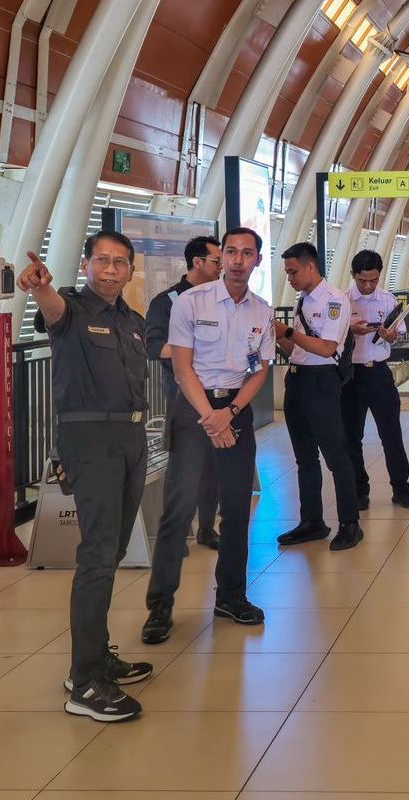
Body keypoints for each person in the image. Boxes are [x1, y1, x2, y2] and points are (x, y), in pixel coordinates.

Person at [17, 231, 153, 724]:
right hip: (91, 443)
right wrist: (37, 286)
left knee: (112, 550)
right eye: (101, 261)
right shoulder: (71, 309)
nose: (110, 270)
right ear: (87, 265)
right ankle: (86, 683)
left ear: (130, 271)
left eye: (119, 263)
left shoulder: (131, 321)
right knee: (97, 556)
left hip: (132, 441)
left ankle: (94, 659)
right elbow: (50, 309)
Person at [145, 226, 275, 637]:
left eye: (247, 253)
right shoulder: (191, 301)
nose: (238, 260)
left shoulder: (262, 310)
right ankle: (160, 606)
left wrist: (231, 412)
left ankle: (231, 597)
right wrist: (210, 416)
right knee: (178, 511)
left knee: (236, 509)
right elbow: (182, 367)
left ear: (257, 260)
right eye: (231, 252)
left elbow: (260, 369)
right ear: (222, 260)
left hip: (235, 409)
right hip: (194, 409)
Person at [273, 242, 365, 550]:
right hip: (297, 380)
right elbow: (297, 349)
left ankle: (350, 524)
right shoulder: (303, 300)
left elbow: (326, 348)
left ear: (310, 266)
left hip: (321, 382)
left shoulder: (334, 300)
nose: (290, 278)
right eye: (287, 273)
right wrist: (274, 336)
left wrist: (286, 332)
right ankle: (312, 521)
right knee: (304, 457)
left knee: (335, 455)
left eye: (293, 271)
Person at [144, 236, 223, 551]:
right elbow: (152, 347)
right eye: (217, 260)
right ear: (198, 262)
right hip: (183, 399)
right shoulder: (167, 302)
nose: (223, 266)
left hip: (220, 396)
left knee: (213, 466)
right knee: (183, 469)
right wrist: (192, 351)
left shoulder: (223, 297)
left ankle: (207, 528)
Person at [341, 250, 409, 510]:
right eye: (363, 280)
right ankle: (359, 490)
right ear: (354, 276)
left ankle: (401, 488)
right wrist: (350, 330)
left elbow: (399, 333)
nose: (368, 285)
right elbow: (330, 337)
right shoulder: (341, 300)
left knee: (391, 434)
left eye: (373, 280)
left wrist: (390, 336)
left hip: (379, 373)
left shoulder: (387, 300)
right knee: (352, 436)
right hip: (351, 376)